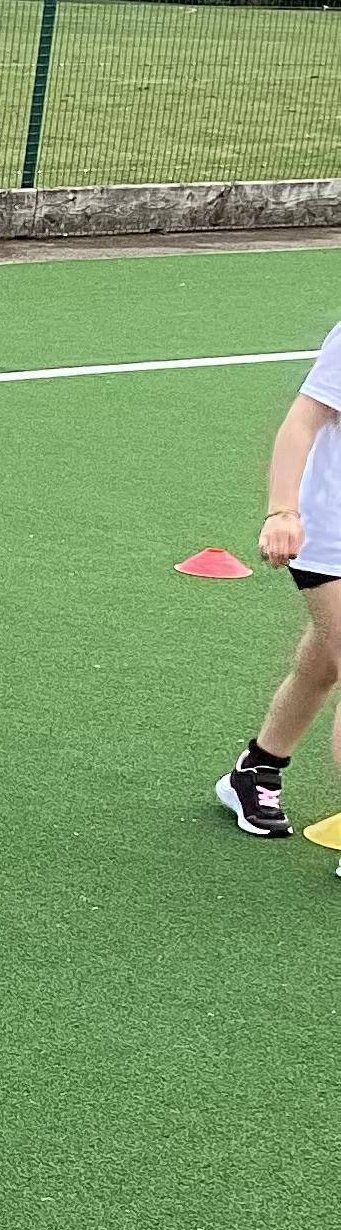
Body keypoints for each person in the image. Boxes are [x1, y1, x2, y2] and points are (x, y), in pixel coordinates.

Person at [216, 354, 341, 870]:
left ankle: (257, 769)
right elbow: (302, 420)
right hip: (329, 535)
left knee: (325, 660)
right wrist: (282, 510)